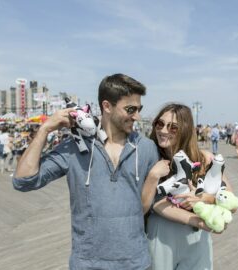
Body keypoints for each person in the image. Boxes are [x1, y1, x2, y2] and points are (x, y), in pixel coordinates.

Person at [13, 74, 159, 270]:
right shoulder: (74, 147)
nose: (137, 116)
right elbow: (24, 181)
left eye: (139, 109)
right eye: (130, 109)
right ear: (107, 106)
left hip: (137, 263)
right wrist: (45, 129)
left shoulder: (147, 148)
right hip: (88, 264)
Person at [142, 103, 234, 270]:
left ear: (185, 129)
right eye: (160, 124)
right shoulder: (150, 158)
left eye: (173, 127)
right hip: (161, 234)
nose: (163, 130)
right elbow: (156, 203)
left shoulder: (205, 158)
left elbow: (230, 197)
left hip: (196, 238)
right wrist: (198, 221)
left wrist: (203, 198)